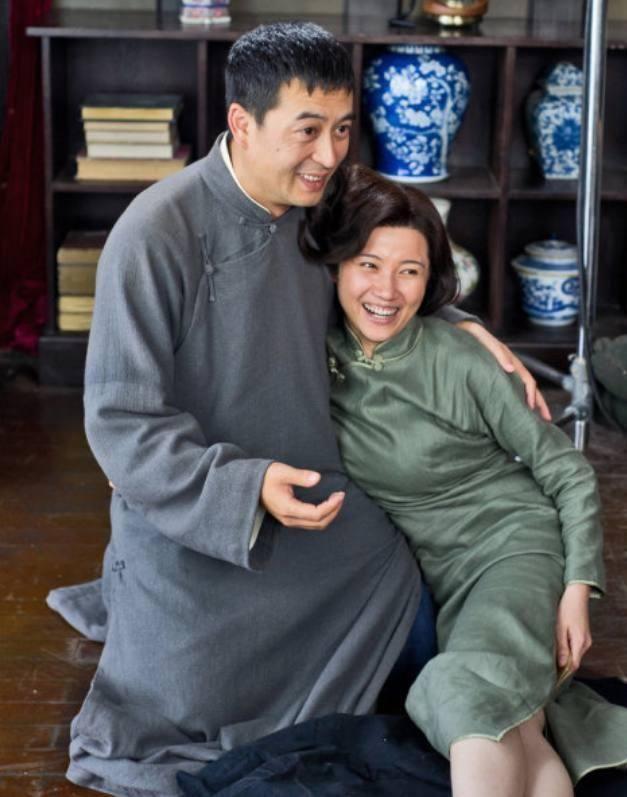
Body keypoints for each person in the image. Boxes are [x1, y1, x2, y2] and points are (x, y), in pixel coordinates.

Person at [47, 22, 549, 797]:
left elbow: (393, 271)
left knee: (442, 652)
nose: (329, 153)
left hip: (326, 509)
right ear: (242, 122)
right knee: (198, 709)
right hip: (206, 534)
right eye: (307, 130)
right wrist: (246, 487)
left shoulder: (326, 199)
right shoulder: (155, 232)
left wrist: (461, 325)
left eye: (342, 129)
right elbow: (122, 422)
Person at [305, 162, 627, 797]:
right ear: (337, 266)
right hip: (441, 577)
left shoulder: (460, 360)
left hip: (513, 549)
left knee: (460, 689)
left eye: (410, 271)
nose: (386, 289)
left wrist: (576, 588)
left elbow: (565, 470)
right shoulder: (315, 351)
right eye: (369, 264)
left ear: (431, 282)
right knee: (516, 726)